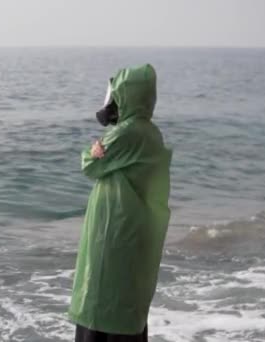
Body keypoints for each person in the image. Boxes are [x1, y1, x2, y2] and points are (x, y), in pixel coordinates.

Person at [68, 64, 172, 342]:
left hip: (114, 231)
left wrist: (91, 151)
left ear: (126, 96)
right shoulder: (151, 132)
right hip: (135, 229)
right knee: (127, 301)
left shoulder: (126, 133)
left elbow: (91, 166)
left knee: (101, 298)